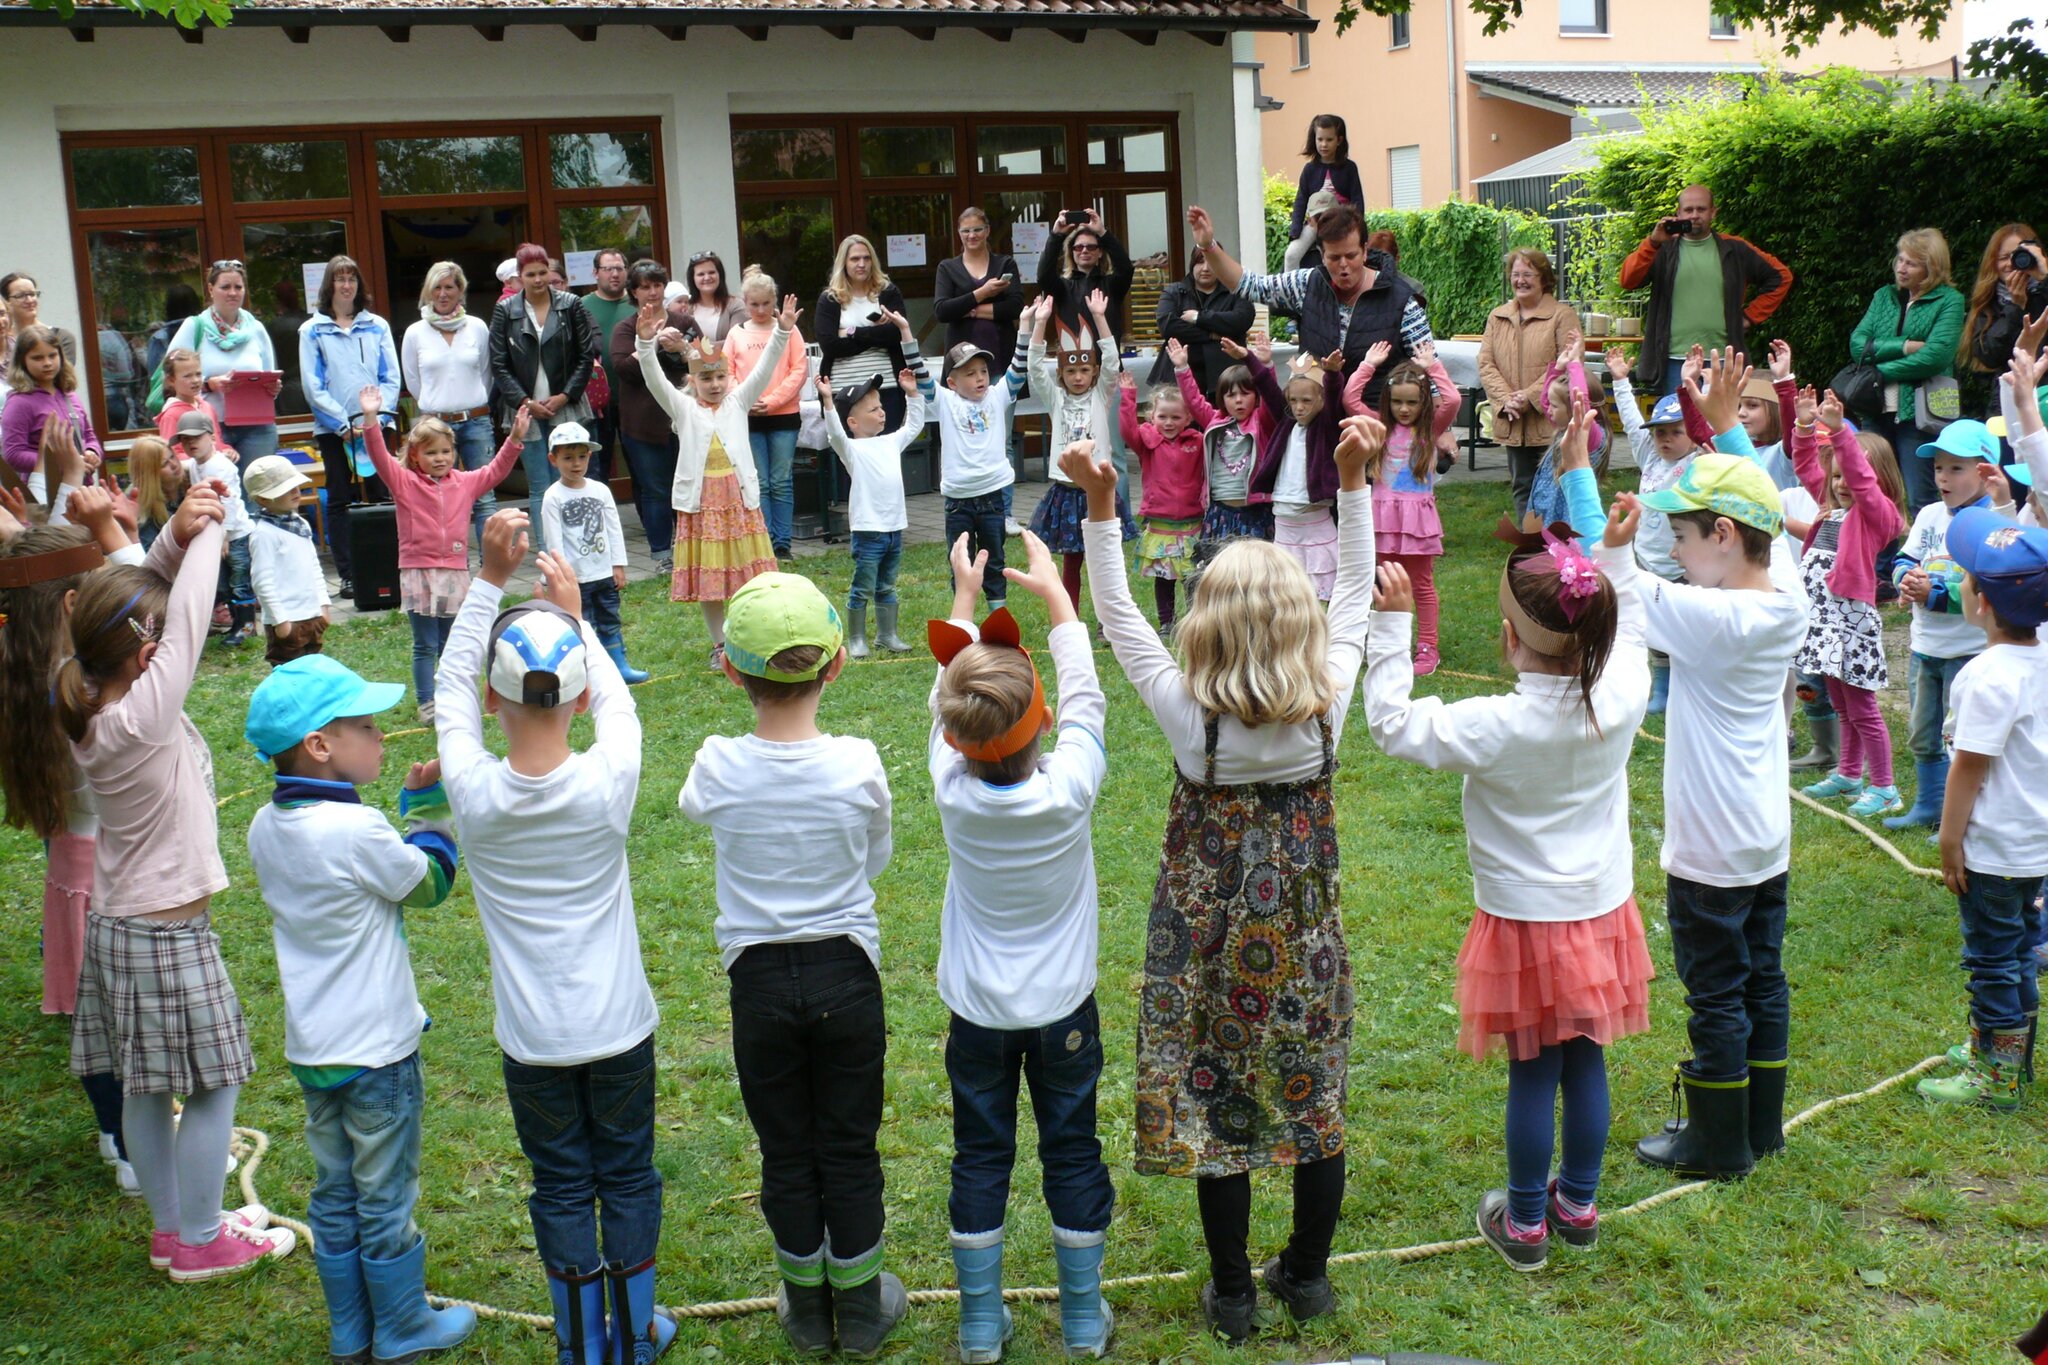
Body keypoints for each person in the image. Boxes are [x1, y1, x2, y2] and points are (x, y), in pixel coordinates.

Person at [1074, 409, 1382, 1342]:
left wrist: (1099, 506)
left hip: (1206, 958)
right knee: (1314, 1102)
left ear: (1205, 627)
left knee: (1218, 1110)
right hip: (1306, 950)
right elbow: (1361, 592)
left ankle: (1234, 1294)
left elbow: (1121, 616)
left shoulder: (1187, 717)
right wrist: (1357, 483)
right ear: (1300, 622)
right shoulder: (1325, 705)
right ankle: (1312, 1278)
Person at [1366, 395, 1652, 1271]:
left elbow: (1390, 724)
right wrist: (1591, 499)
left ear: (1508, 641)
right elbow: (1627, 604)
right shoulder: (1626, 689)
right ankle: (1579, 1202)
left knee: (1535, 1068)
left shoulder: (1494, 722)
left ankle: (1526, 1224)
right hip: (1599, 906)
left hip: (1526, 918)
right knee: (1585, 1061)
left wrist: (1390, 626)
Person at [436, 510, 673, 1365]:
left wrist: (487, 583)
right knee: (628, 1175)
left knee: (563, 1182)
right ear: (574, 694)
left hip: (532, 1041)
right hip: (619, 1030)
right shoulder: (610, 778)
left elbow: (452, 681)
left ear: (494, 699)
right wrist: (575, 621)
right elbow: (614, 704)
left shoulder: (470, 791)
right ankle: (636, 1333)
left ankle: (582, 1346)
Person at [58, 482, 299, 1282]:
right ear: (145, 655)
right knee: (213, 1082)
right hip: (165, 933)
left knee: (147, 1086)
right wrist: (210, 539)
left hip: (123, 924)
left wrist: (165, 542)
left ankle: (173, 1228)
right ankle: (201, 1235)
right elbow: (186, 616)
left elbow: (136, 609)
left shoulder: (97, 691)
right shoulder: (142, 716)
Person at [678, 572, 905, 1359]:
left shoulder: (714, 763)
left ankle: (806, 1304)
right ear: (836, 664)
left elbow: (691, 807)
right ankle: (862, 1302)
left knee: (785, 1145)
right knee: (849, 1142)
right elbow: (874, 856)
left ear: (732, 670)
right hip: (847, 972)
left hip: (760, 983)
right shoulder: (859, 761)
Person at [243, 657, 478, 1364]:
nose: (382, 736)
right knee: (386, 1189)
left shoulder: (263, 825)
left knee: (336, 1186)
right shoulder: (357, 829)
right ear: (320, 744)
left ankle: (351, 1327)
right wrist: (429, 808)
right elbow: (429, 881)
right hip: (378, 1052)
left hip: (316, 1048)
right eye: (368, 727)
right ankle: (402, 1325)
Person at [928, 533, 1114, 1362]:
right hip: (1065, 1010)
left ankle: (978, 1325)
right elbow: (1087, 698)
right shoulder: (1071, 785)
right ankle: (1081, 1320)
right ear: (1041, 721)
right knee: (1071, 1148)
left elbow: (948, 696)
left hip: (977, 1014)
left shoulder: (949, 786)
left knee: (981, 1153)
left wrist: (964, 602)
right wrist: (1059, 602)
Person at [1626, 449, 1808, 1182]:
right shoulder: (1784, 593)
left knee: (1716, 991)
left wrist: (1578, 474)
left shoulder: (1710, 615)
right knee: (1763, 976)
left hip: (1710, 850)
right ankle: (1761, 1124)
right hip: (1765, 840)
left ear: (1725, 535)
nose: (1673, 549)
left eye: (1683, 535)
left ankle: (1717, 1140)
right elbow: (1779, 530)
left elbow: (1612, 579)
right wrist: (1731, 432)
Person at [0, 497, 145, 1197]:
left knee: (95, 1022)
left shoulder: (22, 678)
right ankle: (127, 1142)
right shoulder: (83, 689)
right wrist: (119, 539)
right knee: (122, 1021)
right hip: (110, 872)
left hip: (69, 875)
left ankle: (116, 1131)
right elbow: (159, 612)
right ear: (67, 604)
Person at [1912, 505, 2048, 1112]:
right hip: (2035, 846)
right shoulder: (2040, 661)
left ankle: (1995, 1078)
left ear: (1981, 604)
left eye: (1964, 579)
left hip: (1993, 851)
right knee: (2017, 952)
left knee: (1992, 960)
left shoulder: (1986, 675)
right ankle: (2007, 1056)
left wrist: (1949, 839)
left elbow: (1968, 766)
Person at [633, 292, 797, 666]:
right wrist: (645, 343)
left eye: (721, 376)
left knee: (747, 574)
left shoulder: (739, 401)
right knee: (712, 582)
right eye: (706, 378)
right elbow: (654, 378)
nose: (716, 384)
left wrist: (783, 331)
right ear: (693, 380)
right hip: (702, 502)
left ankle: (750, 633)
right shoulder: (683, 407)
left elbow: (766, 366)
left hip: (738, 500)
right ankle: (720, 643)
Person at [359, 390, 527, 720]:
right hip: (418, 571)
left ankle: (455, 696)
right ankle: (427, 703)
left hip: (454, 573)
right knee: (425, 644)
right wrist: (369, 419)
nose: (440, 458)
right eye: (431, 452)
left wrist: (516, 439)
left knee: (452, 641)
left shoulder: (464, 483)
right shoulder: (403, 482)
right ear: (415, 456)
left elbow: (495, 471)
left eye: (446, 451)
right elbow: (379, 456)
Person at [1788, 387, 1909, 820]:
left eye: (1847, 477)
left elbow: (1860, 478)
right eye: (1834, 477)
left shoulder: (1877, 516)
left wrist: (1841, 435)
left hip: (1850, 625)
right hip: (1824, 622)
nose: (1840, 484)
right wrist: (1804, 424)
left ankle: (1885, 787)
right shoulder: (1831, 509)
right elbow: (1806, 464)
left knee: (1863, 709)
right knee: (1840, 704)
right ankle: (1848, 773)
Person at [1188, 204, 1432, 409]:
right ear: (1321, 255)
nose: (1344, 266)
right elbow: (1250, 286)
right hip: (1320, 424)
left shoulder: (1401, 300)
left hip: (1378, 425)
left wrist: (1441, 428)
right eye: (1334, 258)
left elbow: (1429, 366)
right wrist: (1208, 246)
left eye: (1351, 255)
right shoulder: (1306, 283)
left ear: (1365, 251)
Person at [1888, 419, 2000, 832]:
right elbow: (1905, 558)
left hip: (1968, 651)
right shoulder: (1932, 514)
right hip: (1925, 647)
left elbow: (1988, 590)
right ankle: (1929, 804)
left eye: (1956, 468)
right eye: (1938, 467)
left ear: (1986, 471)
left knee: (1962, 738)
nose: (1942, 477)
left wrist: (1933, 595)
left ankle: (1962, 817)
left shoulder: (1992, 523)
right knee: (1923, 732)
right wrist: (1906, 579)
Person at [1346, 339, 1461, 674]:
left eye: (1412, 402)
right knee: (1382, 580)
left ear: (1423, 403)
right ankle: (1384, 642)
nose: (1405, 409)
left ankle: (1428, 648)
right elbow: (1350, 399)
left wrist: (1432, 367)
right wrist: (1368, 363)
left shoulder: (1429, 429)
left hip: (1417, 521)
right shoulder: (1379, 429)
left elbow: (1452, 400)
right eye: (1397, 402)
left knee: (1421, 584)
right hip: (1381, 517)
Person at [1619, 185, 1792, 396]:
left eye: (1701, 209)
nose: (1694, 215)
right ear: (1678, 213)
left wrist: (1749, 316)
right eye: (1688, 210)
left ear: (1713, 212)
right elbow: (1628, 280)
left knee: (1723, 425)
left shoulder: (1735, 248)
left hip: (1723, 359)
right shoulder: (1662, 249)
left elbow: (1781, 276)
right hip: (1674, 360)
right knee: (1679, 426)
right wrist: (1653, 242)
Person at [820, 347, 931, 658]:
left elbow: (914, 426)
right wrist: (828, 402)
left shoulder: (890, 441)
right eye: (872, 410)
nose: (881, 412)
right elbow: (834, 435)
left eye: (881, 407)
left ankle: (887, 634)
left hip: (895, 528)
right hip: (869, 531)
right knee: (862, 587)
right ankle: (856, 638)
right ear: (853, 423)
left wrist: (912, 394)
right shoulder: (851, 449)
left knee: (887, 585)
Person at [1026, 293, 1133, 618]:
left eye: (1085, 370)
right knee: (1072, 562)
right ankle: (1070, 616)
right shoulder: (1055, 399)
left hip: (1097, 491)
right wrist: (1040, 323)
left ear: (1094, 372)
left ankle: (1107, 619)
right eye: (1072, 372)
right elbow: (1033, 367)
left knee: (1103, 561)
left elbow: (1113, 361)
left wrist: (1100, 317)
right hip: (1067, 492)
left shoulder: (1102, 395)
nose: (1077, 377)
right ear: (1062, 374)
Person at [1849, 229, 1966, 516]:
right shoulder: (1883, 296)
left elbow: (1936, 357)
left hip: (1921, 413)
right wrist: (1906, 346)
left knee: (1920, 497)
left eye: (1911, 263)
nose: (1901, 268)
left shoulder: (1950, 300)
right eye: (1900, 260)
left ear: (1931, 268)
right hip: (1876, 410)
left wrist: (1878, 373)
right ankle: (1879, 561)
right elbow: (1857, 346)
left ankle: (1931, 558)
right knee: (1874, 493)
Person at [302, 254, 401, 584]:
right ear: (328, 285)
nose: (346, 285)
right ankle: (349, 574)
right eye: (339, 279)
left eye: (351, 279)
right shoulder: (312, 330)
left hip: (375, 426)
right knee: (340, 497)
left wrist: (372, 420)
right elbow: (312, 386)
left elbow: (390, 378)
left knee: (382, 494)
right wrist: (343, 426)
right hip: (334, 432)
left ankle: (388, 567)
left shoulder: (378, 326)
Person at [489, 242, 601, 530]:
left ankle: (574, 549)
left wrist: (565, 396)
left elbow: (585, 355)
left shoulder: (570, 304)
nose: (538, 280)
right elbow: (499, 364)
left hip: (566, 405)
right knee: (539, 486)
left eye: (542, 273)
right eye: (530, 275)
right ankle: (548, 553)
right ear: (519, 277)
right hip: (525, 409)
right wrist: (525, 401)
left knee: (570, 479)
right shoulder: (505, 310)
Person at [933, 207, 1026, 534]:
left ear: (987, 231)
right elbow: (943, 310)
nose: (971, 236)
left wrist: (970, 308)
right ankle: (968, 506)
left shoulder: (1005, 264)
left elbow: (1015, 306)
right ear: (959, 235)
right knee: (964, 434)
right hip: (961, 367)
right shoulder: (948, 268)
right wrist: (982, 294)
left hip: (998, 364)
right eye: (965, 231)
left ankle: (1005, 511)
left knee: (1002, 437)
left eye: (977, 230)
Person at [540, 419, 649, 685]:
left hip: (603, 573)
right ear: (553, 459)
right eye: (567, 458)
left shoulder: (600, 491)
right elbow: (553, 541)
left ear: (589, 456)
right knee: (581, 624)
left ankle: (618, 665)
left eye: (581, 456)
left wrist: (618, 565)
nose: (575, 464)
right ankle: (586, 671)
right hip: (575, 578)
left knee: (610, 619)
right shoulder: (553, 496)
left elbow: (613, 529)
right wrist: (560, 576)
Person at [402, 261, 500, 552]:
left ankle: (490, 568)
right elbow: (413, 381)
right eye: (437, 288)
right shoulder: (415, 333)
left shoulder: (477, 327)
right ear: (428, 292)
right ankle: (447, 562)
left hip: (476, 420)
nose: (443, 294)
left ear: (460, 291)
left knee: (485, 498)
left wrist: (466, 402)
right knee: (437, 498)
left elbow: (487, 374)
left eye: (449, 287)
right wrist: (438, 406)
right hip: (435, 425)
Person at [934, 332, 1032, 616]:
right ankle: (963, 620)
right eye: (970, 373)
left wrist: (1026, 327)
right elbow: (921, 376)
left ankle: (997, 617)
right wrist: (905, 333)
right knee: (961, 561)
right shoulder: (945, 401)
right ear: (952, 383)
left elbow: (1017, 367)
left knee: (994, 560)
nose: (980, 378)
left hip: (992, 497)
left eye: (984, 371)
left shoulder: (997, 396)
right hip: (958, 501)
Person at [148, 260, 283, 463]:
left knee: (257, 491)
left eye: (238, 287)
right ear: (211, 289)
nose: (233, 293)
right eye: (225, 287)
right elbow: (171, 381)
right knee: (216, 491)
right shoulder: (194, 327)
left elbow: (267, 374)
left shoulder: (256, 328)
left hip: (256, 426)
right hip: (207, 427)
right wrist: (209, 385)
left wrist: (273, 387)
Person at [1478, 249, 1578, 517]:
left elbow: (1568, 360)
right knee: (1522, 485)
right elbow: (1486, 363)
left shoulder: (1562, 315)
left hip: (1552, 417)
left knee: (1558, 484)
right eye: (1515, 274)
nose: (1520, 280)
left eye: (1528, 274)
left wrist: (1531, 396)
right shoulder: (1497, 317)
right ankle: (1529, 546)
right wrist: (1507, 400)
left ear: (1544, 279)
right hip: (1514, 419)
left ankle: (1560, 546)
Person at [1248, 345, 1348, 601]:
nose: (1298, 407)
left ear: (1321, 400)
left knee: (1321, 584)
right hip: (1284, 517)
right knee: (1285, 589)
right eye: (1293, 401)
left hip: (1313, 515)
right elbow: (1268, 389)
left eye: (1306, 401)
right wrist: (1247, 358)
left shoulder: (1326, 426)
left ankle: (1322, 632)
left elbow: (1335, 398)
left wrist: (1333, 375)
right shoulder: (1286, 423)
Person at [724, 266, 810, 562]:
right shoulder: (736, 334)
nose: (760, 310)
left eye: (766, 304)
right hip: (748, 417)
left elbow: (798, 370)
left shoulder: (788, 329)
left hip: (783, 415)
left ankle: (783, 542)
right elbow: (727, 372)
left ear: (774, 302)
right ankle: (765, 541)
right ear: (744, 303)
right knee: (758, 480)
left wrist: (772, 401)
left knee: (781, 479)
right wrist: (745, 400)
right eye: (754, 304)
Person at [1118, 366, 1204, 636]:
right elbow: (1127, 430)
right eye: (1162, 417)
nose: (1168, 423)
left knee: (1193, 577)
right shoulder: (1148, 443)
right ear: (1151, 417)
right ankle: (1167, 622)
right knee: (1163, 578)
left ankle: (1194, 621)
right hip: (1160, 524)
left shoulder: (1197, 441)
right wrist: (1128, 396)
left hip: (1192, 522)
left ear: (1188, 417)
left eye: (1176, 417)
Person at [611, 260, 683, 578]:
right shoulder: (626, 328)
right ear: (634, 292)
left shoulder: (683, 320)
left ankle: (690, 550)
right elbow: (624, 369)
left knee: (687, 488)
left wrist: (681, 348)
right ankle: (662, 556)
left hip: (683, 420)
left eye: (657, 285)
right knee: (655, 491)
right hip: (642, 424)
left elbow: (706, 363)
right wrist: (650, 341)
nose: (652, 292)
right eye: (644, 286)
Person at [1176, 334, 1275, 544]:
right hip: (1219, 512)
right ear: (1222, 399)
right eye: (1231, 395)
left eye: (1245, 393)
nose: (1238, 400)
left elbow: (1271, 397)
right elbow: (1194, 401)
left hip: (1255, 511)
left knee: (1254, 574)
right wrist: (1182, 369)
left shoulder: (1262, 422)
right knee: (1220, 573)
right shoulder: (1215, 421)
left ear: (1256, 396)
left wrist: (1265, 365)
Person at [171, 408, 256, 647]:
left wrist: (224, 536)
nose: (191, 444)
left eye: (196, 438)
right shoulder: (198, 463)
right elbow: (184, 464)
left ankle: (247, 626)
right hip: (218, 534)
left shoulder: (219, 467)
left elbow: (226, 502)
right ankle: (237, 624)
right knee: (224, 580)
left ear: (211, 437)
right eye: (185, 440)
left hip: (235, 534)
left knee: (239, 579)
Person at [816, 236, 913, 439]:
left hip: (886, 388)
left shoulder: (888, 292)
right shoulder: (830, 299)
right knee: (850, 460)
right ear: (844, 262)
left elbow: (897, 333)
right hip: (843, 391)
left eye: (867, 258)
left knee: (886, 454)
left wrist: (853, 332)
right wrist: (877, 334)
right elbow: (830, 345)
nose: (862, 264)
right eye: (854, 259)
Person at [240, 455, 331, 667]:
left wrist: (324, 605)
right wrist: (280, 621)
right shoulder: (264, 534)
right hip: (287, 620)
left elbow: (313, 567)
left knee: (314, 671)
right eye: (284, 489)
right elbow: (262, 582)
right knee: (289, 674)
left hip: (312, 613)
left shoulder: (300, 524)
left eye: (296, 485)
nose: (295, 492)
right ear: (263, 499)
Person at [5, 324, 102, 504]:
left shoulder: (68, 394)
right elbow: (13, 454)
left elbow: (88, 435)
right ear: (22, 361)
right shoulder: (19, 402)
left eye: (52, 355)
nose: (47, 363)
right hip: (47, 496)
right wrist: (60, 462)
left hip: (83, 491)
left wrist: (91, 452)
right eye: (37, 358)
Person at [1152, 246, 1254, 402]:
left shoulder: (1236, 292)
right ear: (1192, 264)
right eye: (1200, 262)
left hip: (1226, 380)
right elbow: (1168, 326)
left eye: (1211, 262)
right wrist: (1213, 334)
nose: (1206, 268)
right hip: (1178, 379)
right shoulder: (1174, 292)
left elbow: (1242, 320)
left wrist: (1199, 318)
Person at [1961, 223, 2048, 393]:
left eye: (2018, 255)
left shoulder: (2044, 292)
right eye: (2003, 258)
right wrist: (2015, 307)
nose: (2011, 263)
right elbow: (1988, 355)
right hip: (2009, 398)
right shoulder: (1990, 301)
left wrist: (2045, 278)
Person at [579, 248, 638, 487]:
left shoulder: (637, 304)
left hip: (634, 399)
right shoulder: (581, 306)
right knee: (596, 470)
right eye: (608, 269)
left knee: (639, 468)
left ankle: (648, 524)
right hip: (595, 404)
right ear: (595, 273)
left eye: (619, 268)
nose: (614, 274)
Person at [1038, 208, 1134, 351]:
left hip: (1107, 364)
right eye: (1078, 247)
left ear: (1100, 252)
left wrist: (1103, 232)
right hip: (1075, 365)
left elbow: (1126, 268)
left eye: (1091, 246)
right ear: (1072, 252)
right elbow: (1043, 276)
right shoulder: (1063, 287)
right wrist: (1056, 235)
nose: (1084, 250)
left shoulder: (1112, 284)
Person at [1286, 114, 1364, 245]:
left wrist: (1359, 227)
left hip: (1342, 224)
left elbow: (1357, 199)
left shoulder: (1349, 168)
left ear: (1339, 140)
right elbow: (1301, 200)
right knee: (1292, 254)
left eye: (1329, 140)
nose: (1324, 144)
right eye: (1320, 139)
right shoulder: (1309, 169)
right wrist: (1296, 229)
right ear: (1314, 140)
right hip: (1315, 224)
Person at [155, 348, 234, 460]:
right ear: (171, 380)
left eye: (198, 374)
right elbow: (171, 454)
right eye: (187, 376)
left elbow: (216, 441)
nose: (195, 380)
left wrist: (226, 449)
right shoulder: (171, 415)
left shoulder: (207, 406)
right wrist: (204, 458)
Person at [1, 271, 79, 369]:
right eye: (20, 296)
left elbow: (63, 378)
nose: (29, 300)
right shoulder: (3, 339)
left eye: (32, 294)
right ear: (6, 302)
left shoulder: (61, 337)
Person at [125, 435, 185, 552]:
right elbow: (150, 557)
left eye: (172, 456)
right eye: (164, 464)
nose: (174, 465)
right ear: (149, 473)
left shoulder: (190, 478)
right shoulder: (139, 503)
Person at [679, 251, 745, 348]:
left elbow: (737, 341)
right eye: (701, 274)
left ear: (720, 275)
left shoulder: (736, 305)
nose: (707, 277)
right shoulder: (685, 308)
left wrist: (697, 347)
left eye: (712, 272)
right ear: (692, 279)